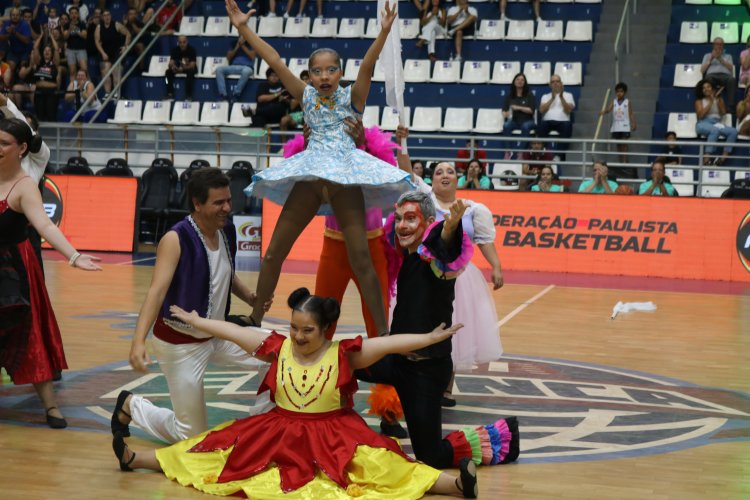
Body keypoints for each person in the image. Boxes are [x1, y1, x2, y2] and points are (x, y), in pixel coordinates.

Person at [111, 288, 481, 498]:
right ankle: (137, 459)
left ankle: (455, 484)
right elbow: (230, 330)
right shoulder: (276, 346)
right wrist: (196, 321)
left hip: (334, 435)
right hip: (278, 430)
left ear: (326, 329)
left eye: (307, 331)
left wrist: (430, 338)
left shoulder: (344, 353)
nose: (299, 337)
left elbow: (390, 342)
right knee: (213, 449)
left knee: (383, 466)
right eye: (294, 328)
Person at [227, 0, 412, 338]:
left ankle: (383, 336)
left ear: (340, 73)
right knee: (272, 255)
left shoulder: (353, 97)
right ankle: (255, 317)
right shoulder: (306, 96)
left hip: (345, 178)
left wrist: (384, 31)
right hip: (310, 177)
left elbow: (368, 66)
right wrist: (243, 28)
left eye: (331, 70)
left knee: (362, 262)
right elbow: (273, 60)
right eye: (317, 71)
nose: (324, 76)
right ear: (309, 75)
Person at [355, 190, 518, 469]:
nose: (402, 225)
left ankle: (501, 438)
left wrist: (450, 227)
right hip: (395, 360)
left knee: (430, 457)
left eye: (410, 219)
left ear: (429, 221)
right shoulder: (408, 257)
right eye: (398, 219)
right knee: (337, 362)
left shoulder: (436, 263)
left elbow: (444, 244)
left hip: (424, 371)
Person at [111, 168, 270, 444]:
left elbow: (224, 271)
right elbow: (156, 292)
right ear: (197, 204)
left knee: (278, 350)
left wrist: (250, 297)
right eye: (218, 203)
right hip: (180, 344)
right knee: (192, 437)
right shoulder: (175, 239)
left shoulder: (226, 230)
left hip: (218, 335)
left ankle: (267, 421)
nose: (227, 208)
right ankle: (132, 406)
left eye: (228, 200)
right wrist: (138, 342)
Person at [0, 117, 101, 429]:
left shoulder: (25, 186)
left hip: (15, 270)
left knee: (30, 335)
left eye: (4, 143)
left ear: (22, 149)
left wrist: (73, 256)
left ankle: (51, 406)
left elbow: (44, 225)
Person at [424, 161, 504, 402]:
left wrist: (496, 266)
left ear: (457, 179)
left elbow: (484, 240)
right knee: (425, 326)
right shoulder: (424, 203)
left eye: (450, 171)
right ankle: (424, 382)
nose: (445, 175)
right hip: (427, 274)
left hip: (461, 278)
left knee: (454, 329)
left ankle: (447, 387)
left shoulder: (473, 209)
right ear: (432, 180)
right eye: (439, 172)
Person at [694, 79, 737, 167]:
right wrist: (710, 101)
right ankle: (706, 159)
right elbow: (701, 115)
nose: (706, 89)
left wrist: (717, 101)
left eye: (708, 87)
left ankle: (722, 158)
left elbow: (723, 113)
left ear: (712, 88)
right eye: (704, 88)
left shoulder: (719, 99)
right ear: (701, 90)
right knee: (715, 130)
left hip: (717, 123)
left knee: (733, 131)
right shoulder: (699, 101)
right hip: (703, 123)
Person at [600, 81, 637, 175]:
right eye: (617, 91)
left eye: (621, 91)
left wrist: (634, 123)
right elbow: (609, 109)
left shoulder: (628, 102)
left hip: (625, 125)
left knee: (624, 144)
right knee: (618, 144)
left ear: (624, 92)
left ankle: (625, 162)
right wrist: (603, 112)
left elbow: (631, 113)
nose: (619, 93)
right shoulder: (613, 101)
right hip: (616, 125)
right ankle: (621, 161)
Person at [94, 9, 129, 97]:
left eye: (108, 15)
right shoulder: (99, 27)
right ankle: (107, 93)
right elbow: (97, 41)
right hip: (105, 52)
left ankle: (117, 93)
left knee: (116, 71)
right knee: (105, 71)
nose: (107, 17)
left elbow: (128, 34)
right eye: (105, 15)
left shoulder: (116, 25)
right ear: (102, 17)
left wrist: (125, 46)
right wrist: (102, 53)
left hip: (116, 52)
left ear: (111, 16)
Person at [537, 74, 575, 149]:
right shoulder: (545, 96)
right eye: (553, 82)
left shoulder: (569, 95)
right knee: (541, 126)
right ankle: (544, 152)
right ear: (550, 85)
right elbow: (541, 110)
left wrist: (561, 97)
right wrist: (552, 98)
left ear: (561, 83)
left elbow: (568, 110)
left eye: (557, 81)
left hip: (563, 121)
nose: (555, 83)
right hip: (547, 121)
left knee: (567, 127)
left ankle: (559, 155)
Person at [216, 36, 256, 103]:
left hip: (247, 67)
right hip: (234, 66)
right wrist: (237, 46)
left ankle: (236, 94)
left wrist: (242, 45)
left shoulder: (252, 43)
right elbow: (228, 57)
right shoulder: (234, 43)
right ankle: (223, 95)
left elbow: (252, 56)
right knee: (219, 70)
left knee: (246, 71)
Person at [31, 36, 60, 122]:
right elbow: (35, 47)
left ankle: (54, 135)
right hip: (39, 92)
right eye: (45, 50)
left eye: (49, 50)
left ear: (51, 53)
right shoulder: (38, 63)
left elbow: (56, 49)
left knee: (51, 117)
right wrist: (41, 35)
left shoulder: (54, 63)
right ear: (42, 52)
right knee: (39, 118)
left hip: (51, 93)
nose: (47, 52)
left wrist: (51, 36)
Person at [700, 37, 736, 108]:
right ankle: (710, 105)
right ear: (713, 45)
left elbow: (731, 68)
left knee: (732, 80)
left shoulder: (728, 56)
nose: (719, 46)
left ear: (723, 46)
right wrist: (711, 59)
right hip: (711, 76)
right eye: (717, 44)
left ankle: (730, 106)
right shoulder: (707, 56)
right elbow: (702, 70)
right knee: (708, 79)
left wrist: (720, 58)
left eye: (721, 44)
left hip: (725, 76)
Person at [502, 72, 536, 141]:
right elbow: (504, 110)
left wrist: (518, 108)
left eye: (522, 80)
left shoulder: (529, 95)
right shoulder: (509, 96)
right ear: (514, 82)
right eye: (517, 79)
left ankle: (521, 151)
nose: (520, 81)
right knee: (506, 125)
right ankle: (508, 150)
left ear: (525, 83)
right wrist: (506, 114)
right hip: (514, 121)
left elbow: (531, 110)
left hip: (528, 121)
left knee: (525, 126)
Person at [0, 7, 33, 72]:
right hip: (13, 51)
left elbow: (26, 41)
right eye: (13, 15)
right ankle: (9, 81)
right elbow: (1, 38)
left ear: (20, 16)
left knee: (23, 67)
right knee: (10, 67)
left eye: (17, 15)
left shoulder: (24, 24)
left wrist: (14, 32)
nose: (15, 17)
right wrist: (9, 34)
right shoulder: (7, 23)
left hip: (25, 51)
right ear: (10, 16)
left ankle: (22, 80)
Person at [165, 35, 196, 100]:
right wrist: (172, 66)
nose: (182, 44)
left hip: (188, 68)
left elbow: (192, 65)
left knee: (191, 72)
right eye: (180, 42)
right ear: (178, 43)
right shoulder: (175, 50)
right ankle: (169, 93)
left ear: (187, 42)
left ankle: (188, 95)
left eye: (184, 42)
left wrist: (182, 68)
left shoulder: (192, 50)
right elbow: (170, 63)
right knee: (167, 73)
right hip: (177, 68)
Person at [61, 5, 86, 77]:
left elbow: (84, 35)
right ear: (69, 15)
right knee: (72, 71)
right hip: (70, 50)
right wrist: (69, 29)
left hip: (81, 49)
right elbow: (65, 37)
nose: (74, 15)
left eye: (75, 13)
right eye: (72, 13)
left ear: (78, 14)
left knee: (84, 69)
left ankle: (87, 87)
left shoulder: (82, 24)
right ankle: (73, 87)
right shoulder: (66, 25)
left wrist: (75, 29)